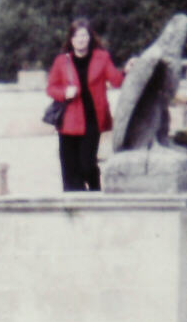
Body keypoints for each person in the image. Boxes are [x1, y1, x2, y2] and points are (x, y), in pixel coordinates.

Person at [46, 18, 131, 192]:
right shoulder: (62, 61)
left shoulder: (102, 57)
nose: (81, 39)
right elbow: (51, 88)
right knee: (69, 169)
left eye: (84, 35)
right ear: (71, 39)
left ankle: (94, 191)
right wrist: (64, 93)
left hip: (93, 120)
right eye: (77, 36)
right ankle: (75, 206)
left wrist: (127, 71)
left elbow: (116, 81)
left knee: (87, 164)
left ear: (90, 37)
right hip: (68, 122)